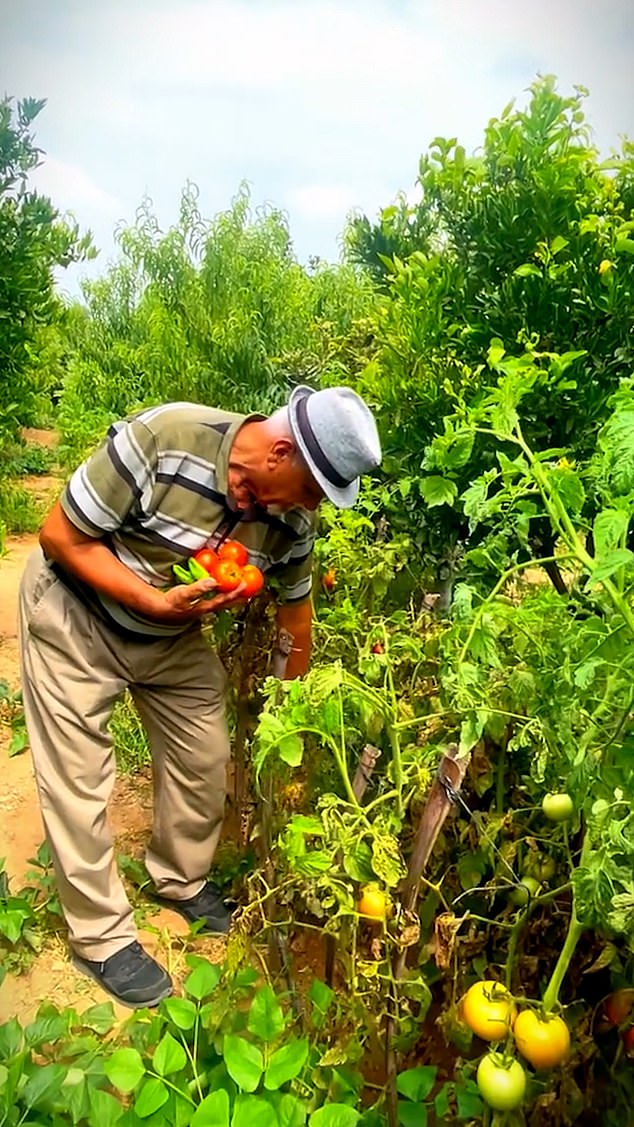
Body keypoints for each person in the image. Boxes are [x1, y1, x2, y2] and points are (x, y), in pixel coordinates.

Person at [17, 384, 381, 1008]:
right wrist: (151, 600)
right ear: (280, 454)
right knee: (79, 777)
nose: (314, 506)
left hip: (172, 633)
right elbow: (60, 537)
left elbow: (297, 619)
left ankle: (180, 881)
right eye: (314, 488)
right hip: (76, 613)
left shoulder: (290, 521)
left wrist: (289, 712)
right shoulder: (165, 440)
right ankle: (100, 937)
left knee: (204, 758)